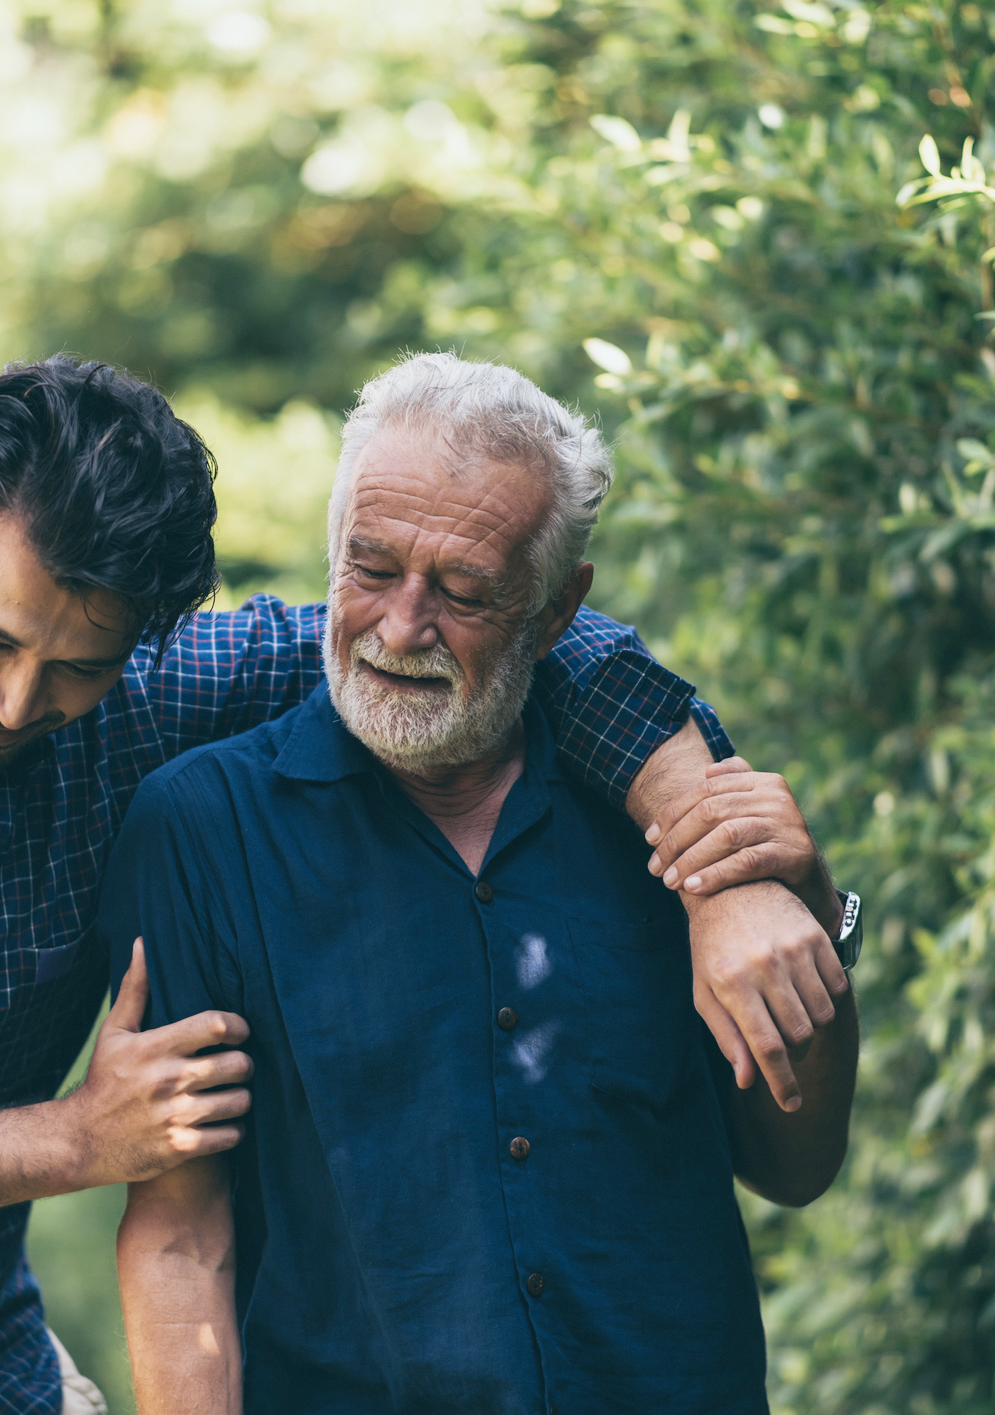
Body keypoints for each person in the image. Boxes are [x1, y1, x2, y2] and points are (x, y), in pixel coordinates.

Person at [0, 357, 842, 1414]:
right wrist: (74, 1138)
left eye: (75, 667)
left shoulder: (141, 691)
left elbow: (530, 635)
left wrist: (713, 852)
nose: (17, 701)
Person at [105, 353, 862, 1414]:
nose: (400, 627)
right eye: (368, 569)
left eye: (462, 592)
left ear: (557, 612)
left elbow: (794, 1164)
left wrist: (804, 914)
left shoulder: (674, 811)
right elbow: (185, 1230)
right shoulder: (202, 826)